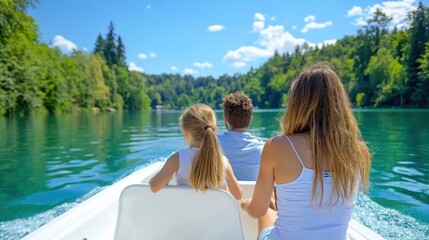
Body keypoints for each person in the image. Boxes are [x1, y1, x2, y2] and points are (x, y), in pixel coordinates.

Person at [240, 63, 371, 240]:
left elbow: (257, 210)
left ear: (297, 104)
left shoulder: (277, 147)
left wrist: (246, 205)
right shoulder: (359, 152)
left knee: (266, 212)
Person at [149, 103, 242, 200]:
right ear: (213, 130)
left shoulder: (177, 159)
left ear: (185, 131)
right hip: (216, 215)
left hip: (186, 214)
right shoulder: (223, 162)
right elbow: (238, 195)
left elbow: (153, 187)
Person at [218, 91, 265, 181]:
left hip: (222, 195)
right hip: (252, 195)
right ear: (250, 119)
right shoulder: (263, 148)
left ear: (225, 119)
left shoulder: (212, 145)